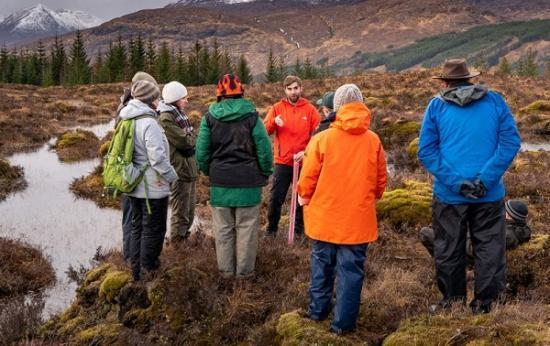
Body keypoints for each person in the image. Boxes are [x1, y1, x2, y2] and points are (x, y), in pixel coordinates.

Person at [418, 59, 521, 314]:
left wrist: (456, 183)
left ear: (445, 82)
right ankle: (486, 305)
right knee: (489, 250)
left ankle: (452, 304)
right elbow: (510, 142)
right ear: (470, 79)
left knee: (449, 250)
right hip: (489, 194)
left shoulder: (436, 106)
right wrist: (486, 179)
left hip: (449, 196)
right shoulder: (495, 101)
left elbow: (426, 151)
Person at [297, 84, 387, 335]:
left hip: (324, 218)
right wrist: (368, 199)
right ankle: (343, 326)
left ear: (336, 107)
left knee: (321, 266)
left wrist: (304, 197)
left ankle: (317, 313)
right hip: (357, 221)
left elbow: (307, 180)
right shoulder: (373, 140)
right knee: (351, 274)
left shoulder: (321, 139)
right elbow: (380, 182)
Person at [196, 74, 273, 278]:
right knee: (247, 231)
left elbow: (201, 153)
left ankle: (226, 274)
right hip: (249, 183)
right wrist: (265, 172)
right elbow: (264, 149)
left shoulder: (209, 118)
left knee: (223, 230)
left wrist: (211, 172)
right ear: (241, 92)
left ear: (219, 94)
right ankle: (245, 276)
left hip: (220, 183)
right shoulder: (252, 117)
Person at [118, 80, 178, 281]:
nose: (159, 101)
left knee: (137, 229)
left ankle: (136, 273)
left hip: (133, 185)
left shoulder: (128, 118)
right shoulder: (149, 123)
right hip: (152, 188)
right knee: (153, 230)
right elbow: (158, 159)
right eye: (157, 97)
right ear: (151, 99)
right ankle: (147, 274)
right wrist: (172, 177)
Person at [263, 75, 320, 238]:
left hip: (304, 163)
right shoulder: (276, 108)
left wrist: (307, 152)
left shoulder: (310, 109)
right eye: (290, 89)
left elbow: (319, 135)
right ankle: (271, 231)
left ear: (301, 88)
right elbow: (264, 129)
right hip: (283, 162)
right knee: (275, 199)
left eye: (296, 88)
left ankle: (298, 233)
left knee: (302, 199)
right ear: (285, 90)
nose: (293, 92)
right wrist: (274, 121)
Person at [115, 71, 158, 261]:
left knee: (137, 219)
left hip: (135, 173)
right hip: (133, 174)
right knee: (133, 219)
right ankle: (131, 260)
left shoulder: (127, 108)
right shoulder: (129, 111)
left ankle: (136, 259)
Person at [420, 199, 532, 266]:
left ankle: (445, 266)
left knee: (426, 233)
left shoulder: (505, 235)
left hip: (471, 258)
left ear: (509, 215)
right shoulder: (520, 229)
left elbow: (474, 250)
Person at [158, 81, 198, 242]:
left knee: (189, 212)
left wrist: (191, 137)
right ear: (174, 99)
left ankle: (183, 243)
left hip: (189, 169)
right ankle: (177, 247)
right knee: (180, 212)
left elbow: (189, 138)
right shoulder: (166, 118)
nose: (187, 101)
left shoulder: (179, 115)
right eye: (184, 98)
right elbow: (185, 142)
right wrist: (193, 137)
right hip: (179, 171)